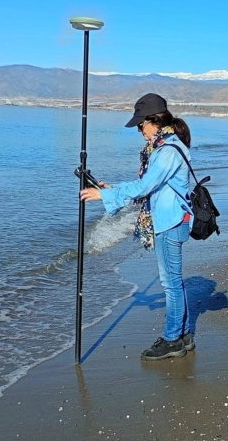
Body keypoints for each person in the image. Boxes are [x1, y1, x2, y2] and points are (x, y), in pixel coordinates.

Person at [80, 93, 194, 361]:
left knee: (170, 283)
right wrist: (113, 189)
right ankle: (183, 335)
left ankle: (172, 340)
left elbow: (144, 187)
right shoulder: (166, 146)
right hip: (172, 218)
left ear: (154, 121)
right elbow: (150, 188)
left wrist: (104, 196)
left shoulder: (166, 152)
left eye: (141, 125)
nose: (140, 132)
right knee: (174, 282)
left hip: (170, 220)